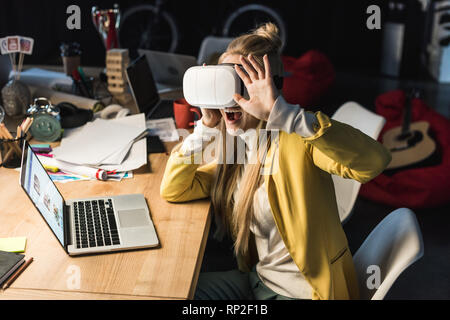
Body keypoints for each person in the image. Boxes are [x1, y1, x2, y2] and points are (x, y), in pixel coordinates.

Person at [160, 23, 391, 300]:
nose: (232, 98)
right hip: (257, 280)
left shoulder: (296, 141)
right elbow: (175, 189)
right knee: (170, 293)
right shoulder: (237, 148)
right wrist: (206, 127)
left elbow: (374, 161)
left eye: (243, 85)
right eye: (224, 84)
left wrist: (285, 114)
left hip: (304, 293)